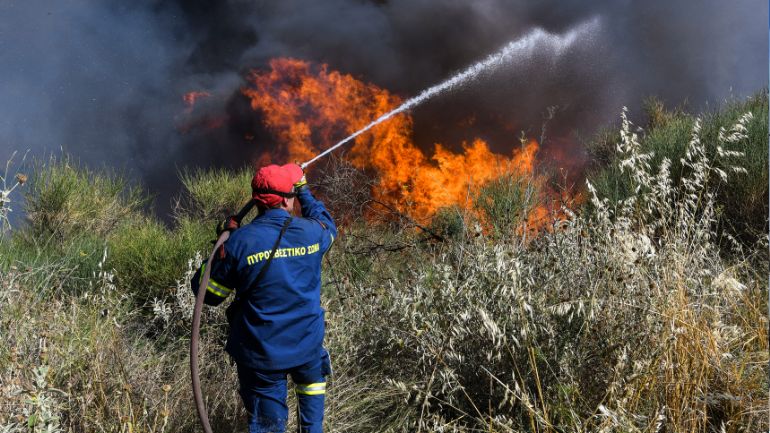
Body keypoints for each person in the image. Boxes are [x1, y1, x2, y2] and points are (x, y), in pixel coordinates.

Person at [192, 163, 336, 433]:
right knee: (312, 426)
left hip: (263, 355)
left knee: (269, 428)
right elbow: (328, 224)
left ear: (257, 199)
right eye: (292, 195)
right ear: (286, 200)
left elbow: (208, 294)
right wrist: (303, 190)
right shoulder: (313, 233)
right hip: (308, 348)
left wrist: (222, 246)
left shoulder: (240, 242)